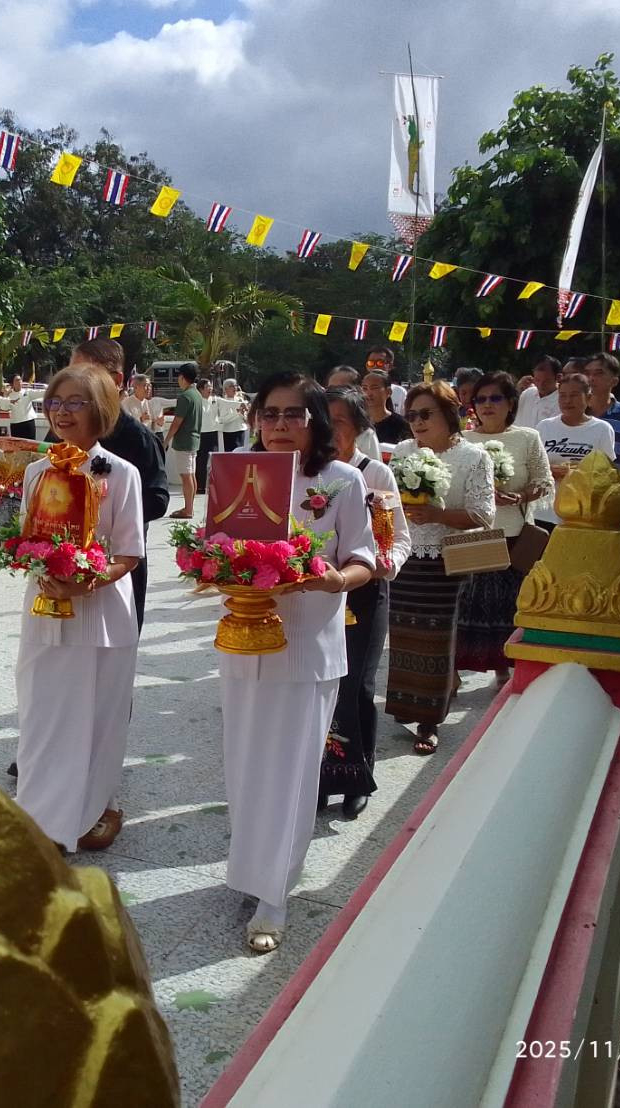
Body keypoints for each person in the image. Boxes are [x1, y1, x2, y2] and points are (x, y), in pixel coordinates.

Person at [222, 372, 376, 951]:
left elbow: (365, 556)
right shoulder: (236, 470)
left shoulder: (340, 481)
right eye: (270, 413)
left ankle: (274, 895)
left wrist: (336, 579)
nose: (281, 425)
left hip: (308, 642)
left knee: (292, 770)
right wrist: (214, 565)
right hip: (242, 637)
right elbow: (215, 545)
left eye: (294, 414)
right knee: (244, 762)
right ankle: (249, 870)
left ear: (314, 422)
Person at [14, 367, 144, 854]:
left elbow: (129, 553)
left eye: (76, 403)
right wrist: (37, 565)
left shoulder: (121, 473)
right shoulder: (35, 471)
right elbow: (26, 540)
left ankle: (92, 811)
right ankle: (40, 823)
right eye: (55, 402)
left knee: (99, 718)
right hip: (45, 609)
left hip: (103, 613)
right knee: (43, 718)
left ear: (101, 411)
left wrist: (86, 579)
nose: (63, 412)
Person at [387, 381, 496, 754]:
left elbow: (483, 513)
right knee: (402, 635)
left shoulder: (474, 456)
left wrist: (437, 514)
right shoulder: (402, 451)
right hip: (404, 559)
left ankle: (429, 720)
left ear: (450, 414)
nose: (417, 422)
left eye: (425, 414)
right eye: (411, 415)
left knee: (436, 640)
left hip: (446, 562)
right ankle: (409, 702)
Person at [320, 386, 411, 818]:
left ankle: (358, 776)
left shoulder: (375, 474)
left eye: (338, 421)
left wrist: (384, 559)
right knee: (322, 688)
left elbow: (399, 536)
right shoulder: (308, 474)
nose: (328, 429)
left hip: (364, 589)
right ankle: (320, 776)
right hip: (317, 594)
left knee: (357, 685)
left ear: (358, 428)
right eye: (322, 419)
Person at [67, 338, 171, 633]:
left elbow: (158, 498)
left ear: (116, 380)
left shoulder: (138, 439)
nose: (74, 384)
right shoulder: (62, 432)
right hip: (63, 560)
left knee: (114, 654)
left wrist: (104, 507)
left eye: (85, 374)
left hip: (117, 561)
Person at [458, 372, 554, 683]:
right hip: (474, 534)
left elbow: (545, 482)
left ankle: (504, 669)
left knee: (507, 607)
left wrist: (521, 495)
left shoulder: (528, 437)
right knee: (467, 607)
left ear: (510, 403)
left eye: (495, 398)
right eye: (480, 399)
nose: (487, 405)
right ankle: (454, 674)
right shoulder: (463, 440)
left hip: (514, 536)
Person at [535, 373, 616, 530]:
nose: (567, 401)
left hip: (581, 513)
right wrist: (549, 471)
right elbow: (531, 467)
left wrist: (577, 473)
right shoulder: (544, 427)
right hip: (544, 512)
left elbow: (607, 472)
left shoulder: (602, 429)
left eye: (574, 395)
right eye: (562, 396)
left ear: (588, 397)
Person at [584, 353, 620, 468]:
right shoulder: (574, 411)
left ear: (614, 381)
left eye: (598, 374)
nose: (591, 378)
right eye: (587, 373)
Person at [166, 366, 202, 518]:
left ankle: (188, 509)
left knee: (186, 476)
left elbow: (177, 422)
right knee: (191, 475)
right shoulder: (197, 395)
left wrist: (166, 440)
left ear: (182, 377)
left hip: (184, 440)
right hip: (194, 439)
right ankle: (190, 507)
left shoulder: (185, 396)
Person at [363, 370, 412, 444]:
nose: (368, 393)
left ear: (388, 392)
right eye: (365, 388)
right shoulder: (356, 423)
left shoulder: (401, 425)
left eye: (374, 388)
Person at [515, 354, 563, 429]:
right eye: (537, 380)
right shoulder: (527, 393)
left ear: (558, 377)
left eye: (546, 381)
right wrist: (517, 391)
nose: (541, 385)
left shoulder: (563, 399)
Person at [194, 379, 222, 494]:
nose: (210, 389)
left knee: (213, 459)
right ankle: (199, 487)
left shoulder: (215, 400)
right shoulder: (197, 401)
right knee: (200, 461)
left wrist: (243, 404)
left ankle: (213, 485)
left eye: (211, 387)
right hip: (200, 434)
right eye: (207, 387)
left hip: (213, 433)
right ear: (201, 389)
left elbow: (228, 403)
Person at [366, 347, 406, 413]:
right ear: (367, 366)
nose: (375, 366)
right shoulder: (360, 393)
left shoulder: (400, 392)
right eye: (371, 363)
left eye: (380, 362)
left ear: (390, 366)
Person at [217, 379, 250, 452]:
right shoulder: (223, 402)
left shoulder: (240, 400)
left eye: (235, 386)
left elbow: (245, 417)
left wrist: (244, 414)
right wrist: (237, 413)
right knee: (231, 456)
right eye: (232, 386)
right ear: (225, 389)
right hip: (229, 432)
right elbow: (224, 419)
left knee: (241, 454)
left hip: (241, 430)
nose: (235, 388)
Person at [7, 375, 39, 440]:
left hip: (28, 423)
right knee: (17, 447)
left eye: (20, 380)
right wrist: (5, 395)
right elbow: (4, 408)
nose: (19, 382)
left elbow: (42, 393)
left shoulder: (28, 392)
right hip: (16, 425)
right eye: (17, 380)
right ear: (12, 383)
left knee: (30, 446)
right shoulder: (9, 395)